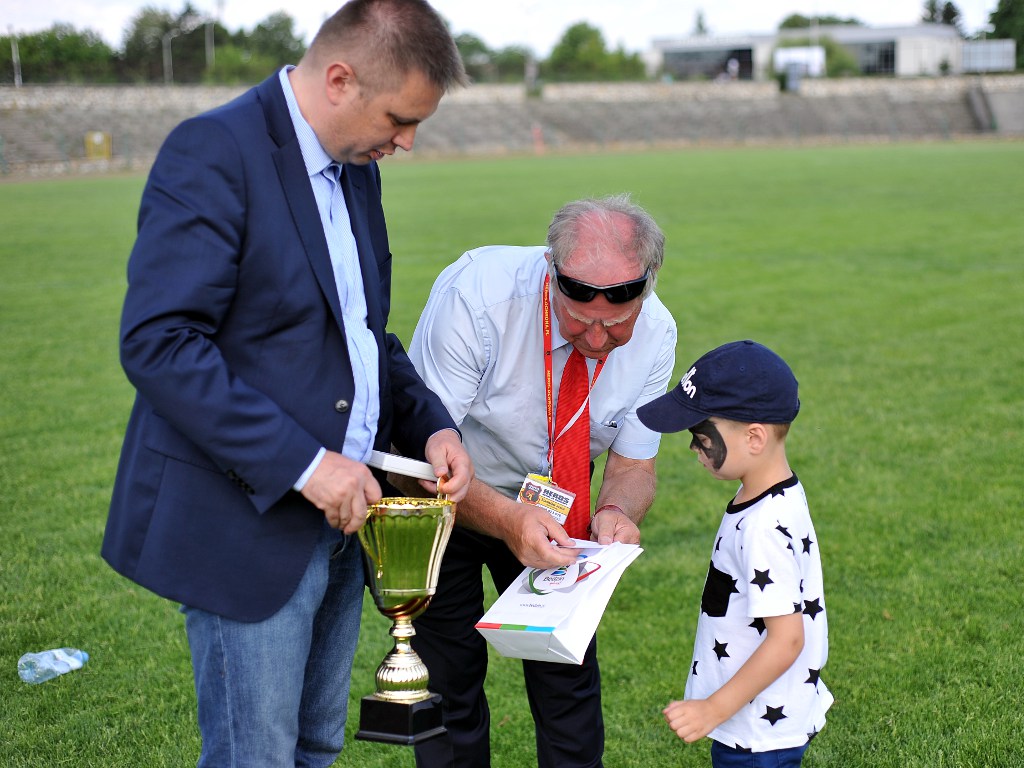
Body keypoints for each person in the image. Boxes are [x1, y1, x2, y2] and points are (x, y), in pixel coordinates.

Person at [101, 2, 472, 766]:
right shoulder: (214, 151)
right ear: (339, 79)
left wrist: (431, 423)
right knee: (256, 756)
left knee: (315, 747)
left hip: (343, 521)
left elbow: (362, 336)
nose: (407, 141)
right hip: (248, 521)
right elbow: (160, 342)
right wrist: (306, 465)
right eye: (400, 118)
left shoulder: (356, 169)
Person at [405, 194, 678, 767]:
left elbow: (633, 465)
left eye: (616, 325)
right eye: (579, 320)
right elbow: (420, 452)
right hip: (448, 498)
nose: (597, 340)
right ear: (551, 274)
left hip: (556, 508)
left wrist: (617, 512)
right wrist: (508, 519)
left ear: (647, 285)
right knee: (449, 684)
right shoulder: (477, 297)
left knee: (567, 681)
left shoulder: (657, 332)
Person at [636, 340, 832, 767]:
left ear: (754, 438)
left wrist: (714, 708)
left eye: (701, 436)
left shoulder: (764, 526)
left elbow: (787, 639)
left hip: (757, 731)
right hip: (760, 718)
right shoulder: (772, 495)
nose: (694, 448)